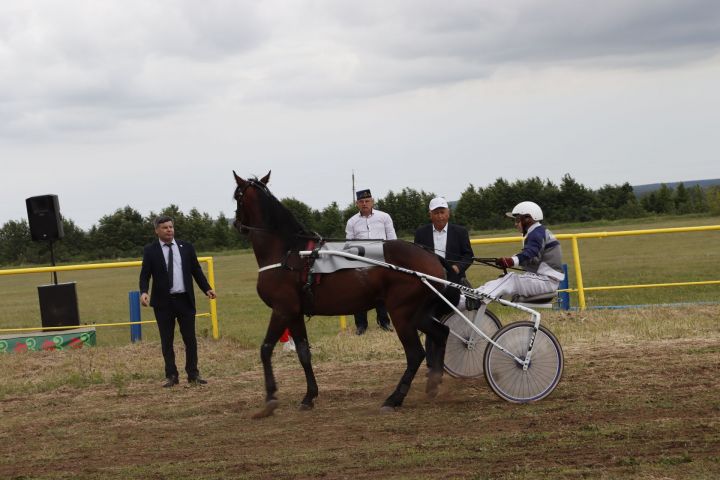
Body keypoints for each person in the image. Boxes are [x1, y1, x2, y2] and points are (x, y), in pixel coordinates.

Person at [139, 215, 217, 387]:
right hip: (163, 303)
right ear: (157, 231)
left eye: (171, 227)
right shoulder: (150, 250)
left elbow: (196, 270)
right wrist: (144, 292)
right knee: (167, 341)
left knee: (190, 339)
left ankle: (193, 374)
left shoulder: (186, 247)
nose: (169, 230)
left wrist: (207, 288)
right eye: (165, 227)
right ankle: (172, 376)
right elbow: (145, 274)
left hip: (185, 300)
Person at [414, 197, 474, 367]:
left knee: (460, 319)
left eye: (442, 212)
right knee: (431, 320)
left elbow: (468, 256)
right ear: (430, 215)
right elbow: (416, 257)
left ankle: (457, 359)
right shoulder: (421, 233)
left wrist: (457, 268)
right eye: (436, 213)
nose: (440, 216)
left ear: (448, 213)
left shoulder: (460, 232)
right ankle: (432, 363)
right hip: (431, 284)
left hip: (455, 282)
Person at [477, 201, 564, 300]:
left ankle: (476, 297)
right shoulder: (538, 232)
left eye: (518, 220)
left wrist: (511, 261)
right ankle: (475, 294)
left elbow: (530, 253)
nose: (515, 224)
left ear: (528, 218)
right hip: (546, 280)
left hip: (547, 282)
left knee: (511, 279)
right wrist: (513, 260)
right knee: (504, 279)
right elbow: (533, 259)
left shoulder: (536, 234)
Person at [345, 188, 397, 335]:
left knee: (382, 291)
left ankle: (384, 322)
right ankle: (361, 325)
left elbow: (392, 239)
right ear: (357, 204)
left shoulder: (384, 217)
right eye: (361, 201)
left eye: (367, 201)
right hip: (361, 260)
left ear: (372, 201)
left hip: (382, 259)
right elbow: (349, 243)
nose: (364, 204)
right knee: (359, 292)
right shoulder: (352, 222)